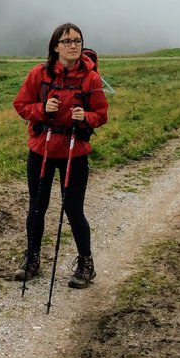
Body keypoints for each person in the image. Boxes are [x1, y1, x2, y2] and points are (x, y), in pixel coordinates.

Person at [12, 22, 109, 288]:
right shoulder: (38, 74)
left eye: (77, 41)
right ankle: (31, 258)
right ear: (55, 46)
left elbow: (102, 115)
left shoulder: (91, 78)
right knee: (36, 207)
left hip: (74, 152)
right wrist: (43, 109)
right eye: (67, 41)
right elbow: (21, 105)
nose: (73, 45)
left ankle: (86, 263)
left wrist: (85, 117)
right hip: (41, 150)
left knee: (73, 210)